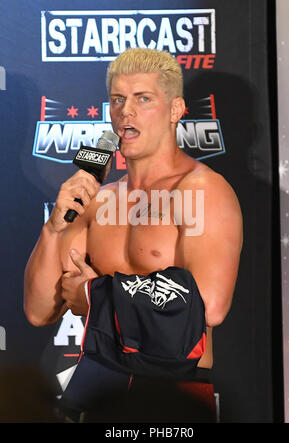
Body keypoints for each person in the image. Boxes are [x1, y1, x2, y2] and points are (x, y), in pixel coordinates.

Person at [24, 48, 243, 422]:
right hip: (101, 389)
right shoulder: (97, 198)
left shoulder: (201, 191)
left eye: (143, 99)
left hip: (171, 393)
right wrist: (56, 225)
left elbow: (210, 305)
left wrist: (94, 295)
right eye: (118, 100)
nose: (127, 111)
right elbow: (39, 310)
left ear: (175, 110)